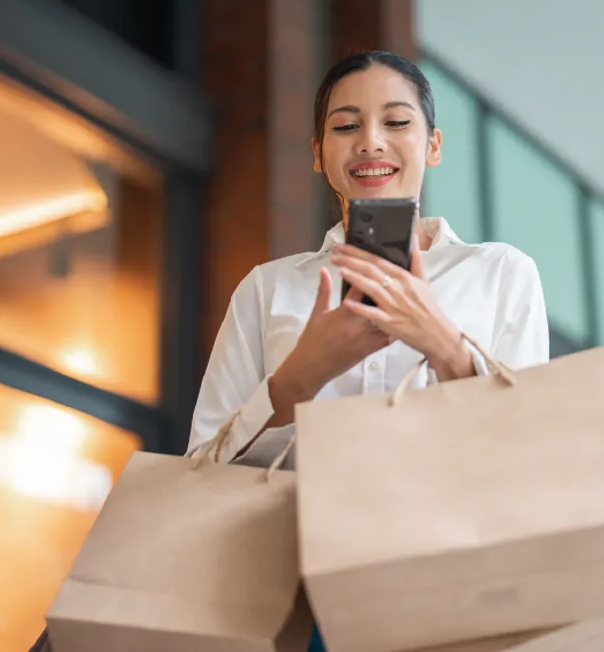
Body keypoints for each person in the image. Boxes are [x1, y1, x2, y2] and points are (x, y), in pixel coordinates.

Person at [187, 50, 550, 470]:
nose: (370, 142)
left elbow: (533, 455)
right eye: (345, 126)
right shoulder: (267, 289)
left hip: (455, 533)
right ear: (318, 154)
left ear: (433, 145)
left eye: (396, 122)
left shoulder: (500, 273)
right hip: (300, 536)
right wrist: (297, 379)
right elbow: (200, 475)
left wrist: (444, 345)